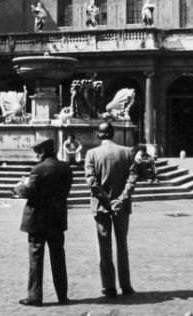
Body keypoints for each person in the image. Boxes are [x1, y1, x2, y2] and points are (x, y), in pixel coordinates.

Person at [14, 138, 74, 307]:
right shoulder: (65, 168)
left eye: (37, 153)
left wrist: (18, 188)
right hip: (57, 218)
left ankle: (35, 296)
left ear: (42, 152)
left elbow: (30, 192)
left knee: (36, 258)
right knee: (58, 257)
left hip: (38, 219)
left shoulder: (38, 170)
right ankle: (62, 294)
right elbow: (66, 190)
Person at [84, 122, 138, 298]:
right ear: (113, 133)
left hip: (101, 207)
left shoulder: (91, 154)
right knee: (122, 245)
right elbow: (132, 178)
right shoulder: (127, 151)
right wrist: (121, 199)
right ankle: (126, 285)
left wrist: (107, 201)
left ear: (99, 135)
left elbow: (92, 182)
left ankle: (109, 286)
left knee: (104, 247)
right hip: (122, 207)